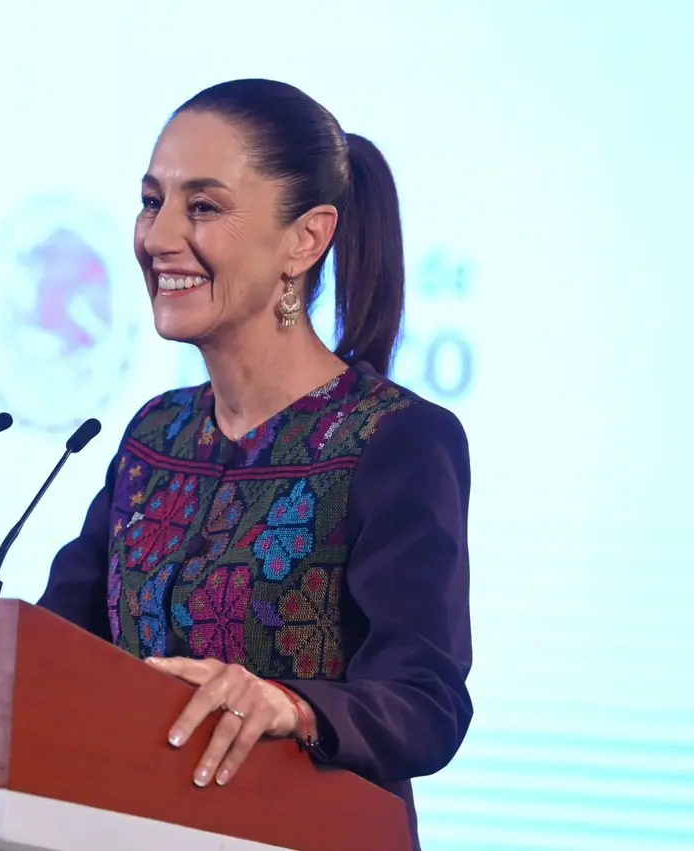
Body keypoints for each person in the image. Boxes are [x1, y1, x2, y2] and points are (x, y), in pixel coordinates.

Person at [37, 79, 472, 849]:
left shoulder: (394, 440)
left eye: (202, 207)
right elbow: (50, 654)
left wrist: (289, 706)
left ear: (305, 240)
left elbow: (425, 701)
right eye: (152, 201)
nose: (157, 236)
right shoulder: (152, 438)